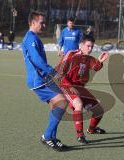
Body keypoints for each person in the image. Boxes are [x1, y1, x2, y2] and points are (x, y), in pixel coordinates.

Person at [21, 11, 68, 152]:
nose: (44, 25)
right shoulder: (30, 38)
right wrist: (53, 72)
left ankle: (52, 138)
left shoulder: (33, 37)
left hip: (42, 78)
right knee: (62, 102)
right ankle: (47, 136)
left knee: (56, 104)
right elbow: (37, 60)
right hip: (39, 79)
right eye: (41, 22)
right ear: (33, 23)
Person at [55, 35, 109, 144]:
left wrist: (100, 61)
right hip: (66, 86)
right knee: (78, 104)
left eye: (92, 47)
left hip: (80, 88)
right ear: (81, 45)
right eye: (88, 46)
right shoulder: (71, 54)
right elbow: (59, 73)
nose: (90, 49)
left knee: (99, 111)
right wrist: (70, 87)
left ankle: (91, 129)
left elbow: (96, 67)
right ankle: (80, 135)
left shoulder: (88, 58)